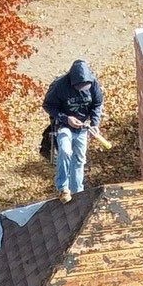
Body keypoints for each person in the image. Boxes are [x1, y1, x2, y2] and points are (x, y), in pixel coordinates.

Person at [41, 60, 105, 202]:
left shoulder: (93, 83)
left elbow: (97, 104)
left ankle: (77, 193)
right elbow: (48, 105)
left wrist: (95, 124)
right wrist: (66, 118)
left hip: (82, 128)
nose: (82, 89)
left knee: (79, 160)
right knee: (65, 151)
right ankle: (63, 188)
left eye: (85, 86)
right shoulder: (60, 85)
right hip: (64, 126)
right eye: (79, 86)